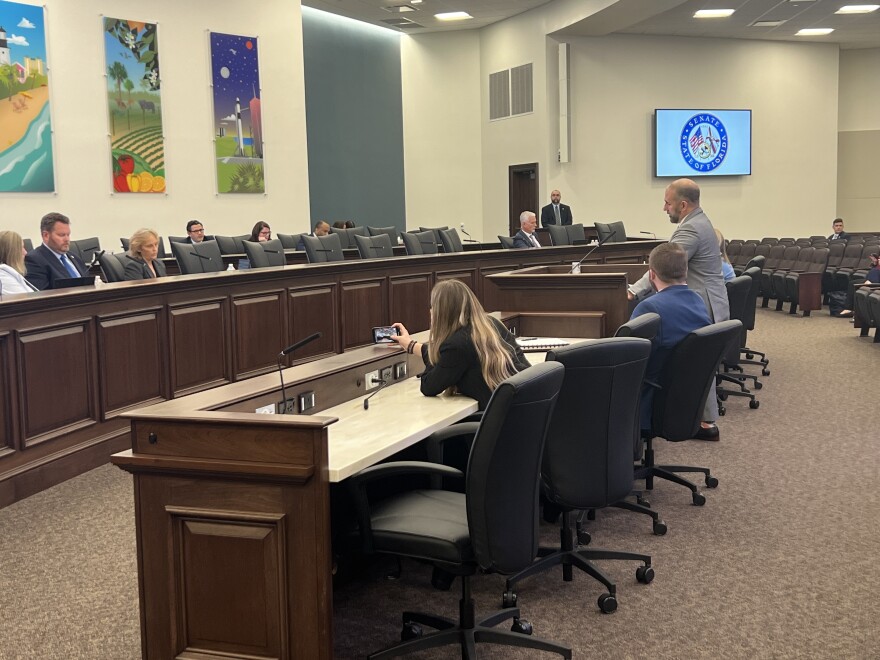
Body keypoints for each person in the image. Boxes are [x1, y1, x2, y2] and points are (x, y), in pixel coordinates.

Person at [389, 279, 530, 410]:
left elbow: (428, 386)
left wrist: (436, 338)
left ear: (441, 312)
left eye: (433, 307)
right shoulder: (492, 325)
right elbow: (447, 359)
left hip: (497, 424)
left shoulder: (456, 345)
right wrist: (411, 345)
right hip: (521, 411)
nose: (430, 311)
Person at [631, 243, 715, 438]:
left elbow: (627, 360)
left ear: (651, 274)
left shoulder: (649, 308)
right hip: (683, 401)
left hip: (650, 401)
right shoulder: (697, 301)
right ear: (686, 270)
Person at [629, 178, 729, 323]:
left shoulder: (691, 229)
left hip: (703, 307)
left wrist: (633, 291)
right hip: (711, 302)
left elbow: (665, 264)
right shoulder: (700, 221)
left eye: (668, 203)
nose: (664, 208)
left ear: (683, 205)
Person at [24, 212, 89, 290]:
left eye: (68, 235)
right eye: (61, 235)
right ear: (46, 235)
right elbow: (41, 295)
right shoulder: (34, 260)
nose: (67, 239)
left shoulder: (75, 257)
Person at [838, 252, 880, 317]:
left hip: (876, 279)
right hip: (872, 278)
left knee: (859, 284)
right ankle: (850, 308)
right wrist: (875, 263)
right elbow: (875, 269)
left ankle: (849, 308)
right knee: (852, 283)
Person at [0, 230, 38, 295]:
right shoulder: (3, 276)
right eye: (22, 248)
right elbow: (25, 302)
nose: (25, 252)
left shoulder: (10, 273)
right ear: (11, 252)